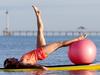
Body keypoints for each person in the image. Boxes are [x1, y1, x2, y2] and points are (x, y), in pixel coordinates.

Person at [4, 5, 87, 70]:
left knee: (40, 30)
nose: (13, 57)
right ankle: (79, 39)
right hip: (41, 52)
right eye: (11, 59)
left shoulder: (21, 61)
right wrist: (41, 67)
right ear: (12, 62)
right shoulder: (22, 62)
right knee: (59, 44)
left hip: (39, 50)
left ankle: (38, 15)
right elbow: (31, 66)